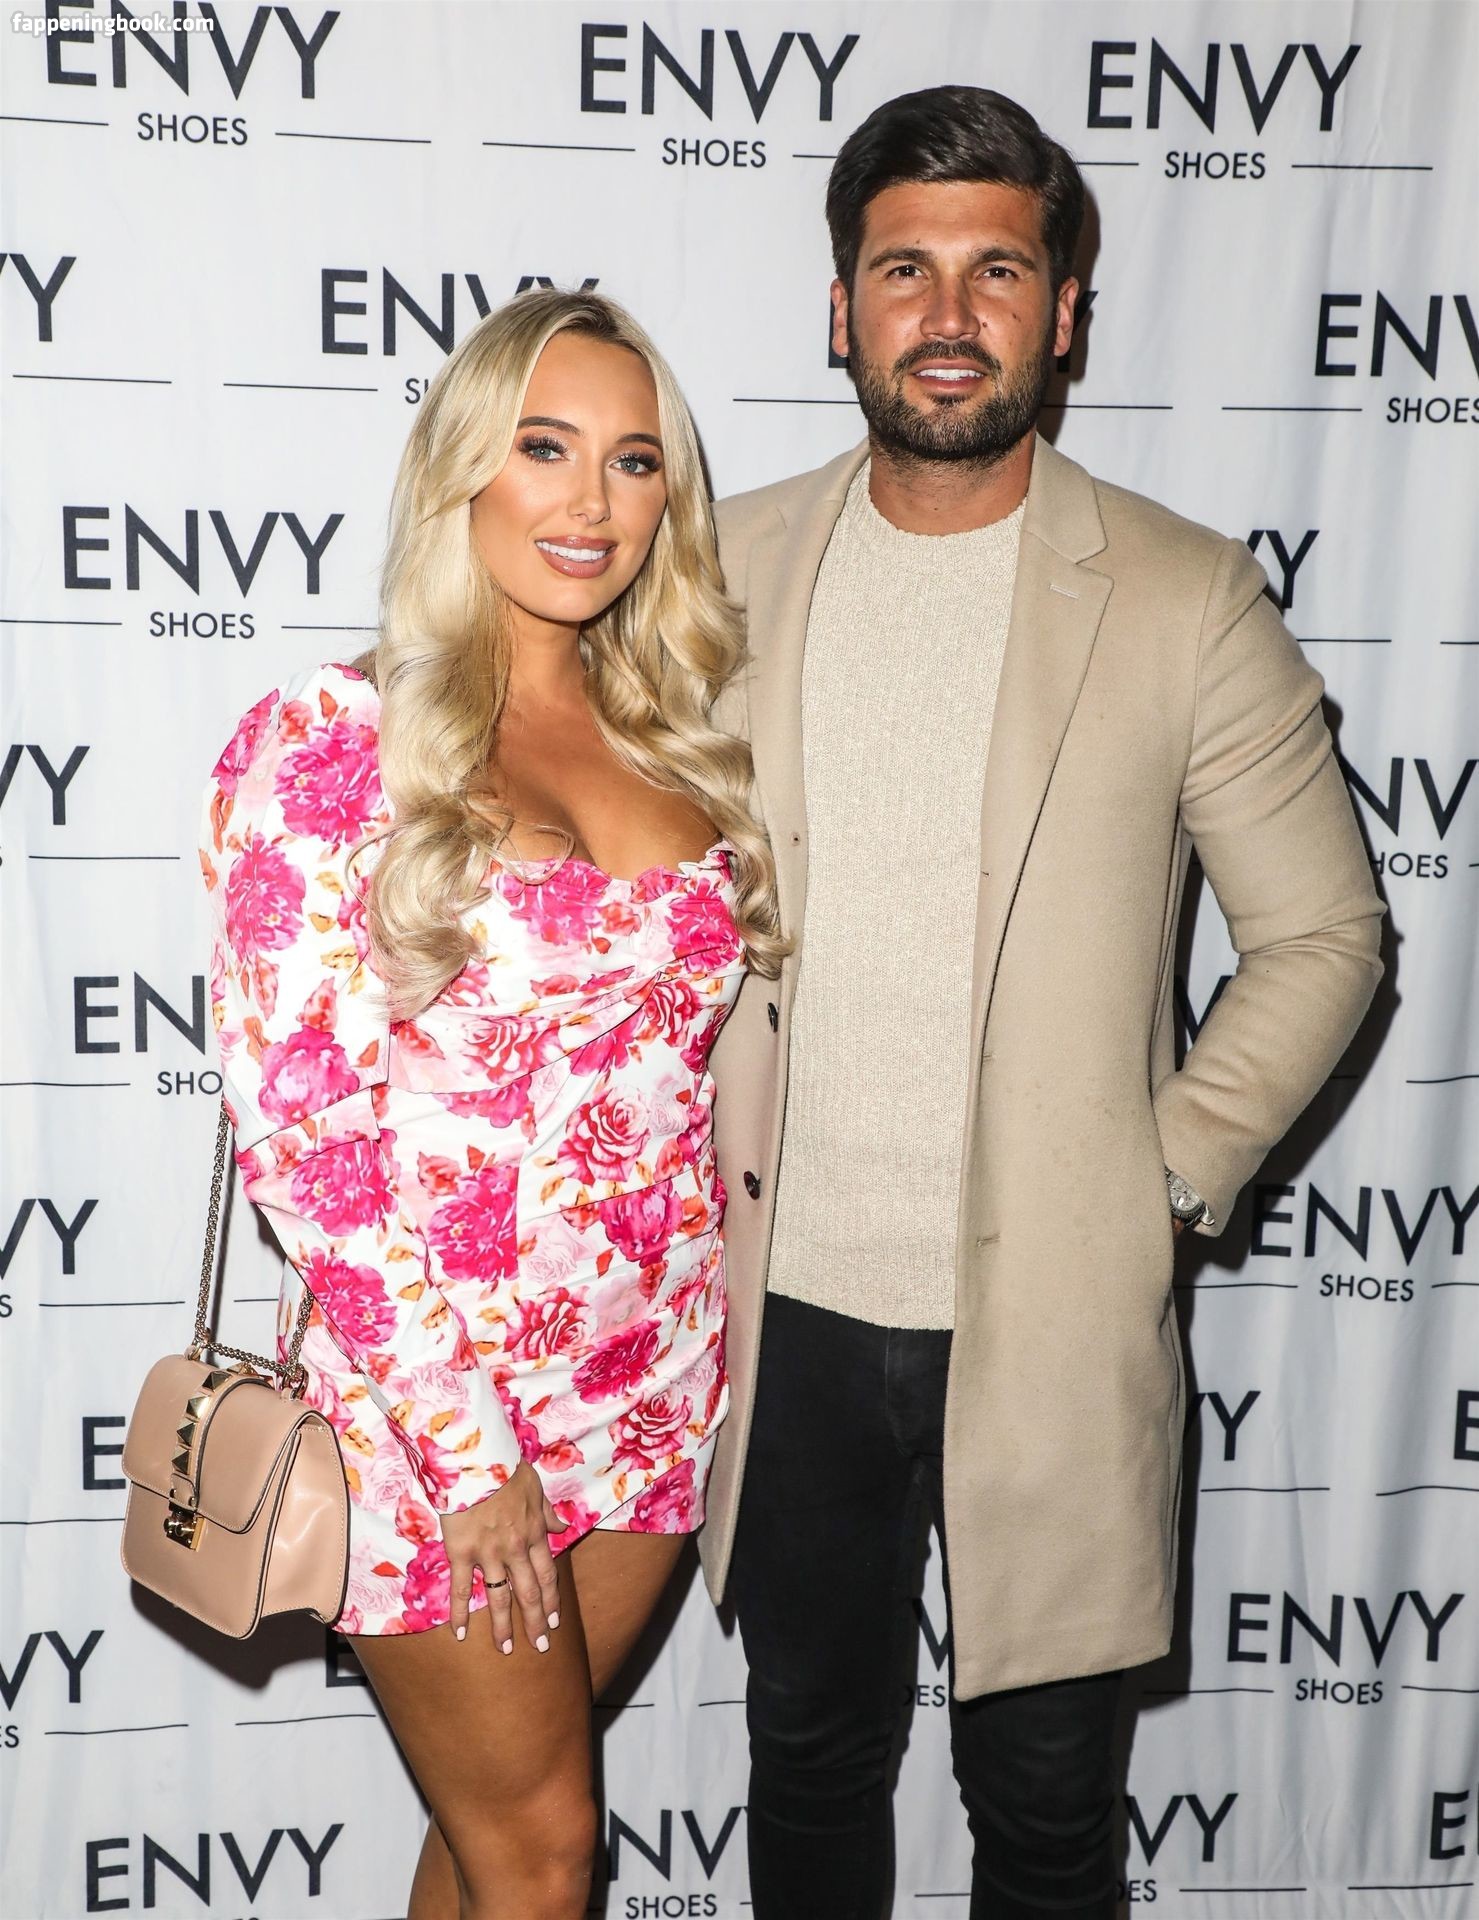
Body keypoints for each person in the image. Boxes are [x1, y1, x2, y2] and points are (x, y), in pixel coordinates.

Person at [700, 86, 1385, 1920]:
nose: (948, 314)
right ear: (839, 309)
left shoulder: (1181, 595)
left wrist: (1161, 1178)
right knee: (809, 1759)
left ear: (1065, 310)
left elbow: (1325, 932)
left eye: (997, 270)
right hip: (788, 1307)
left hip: (1055, 1317)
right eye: (903, 270)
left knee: (1051, 1810)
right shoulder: (718, 567)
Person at [199, 288, 784, 1920]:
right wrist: (468, 1454)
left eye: (634, 461)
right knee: (545, 1856)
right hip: (438, 1401)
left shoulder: (680, 744)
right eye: (545, 448)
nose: (591, 501)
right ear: (464, 466)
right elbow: (307, 1145)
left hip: (655, 1381)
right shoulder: (334, 741)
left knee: (496, 1842)